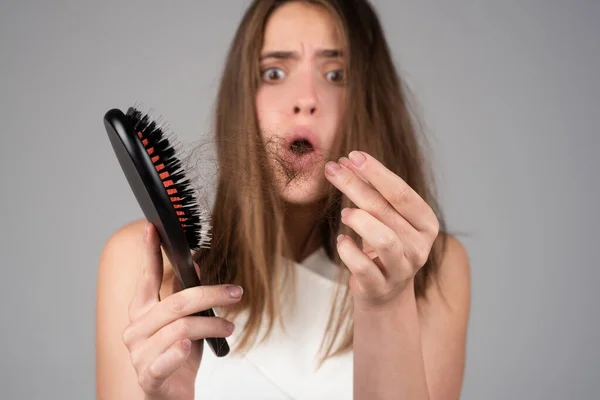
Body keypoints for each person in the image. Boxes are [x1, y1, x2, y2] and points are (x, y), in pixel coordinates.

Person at [95, 0, 471, 399]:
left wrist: (389, 303)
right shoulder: (145, 264)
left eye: (336, 74)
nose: (305, 98)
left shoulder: (434, 267)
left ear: (370, 103)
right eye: (274, 72)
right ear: (242, 101)